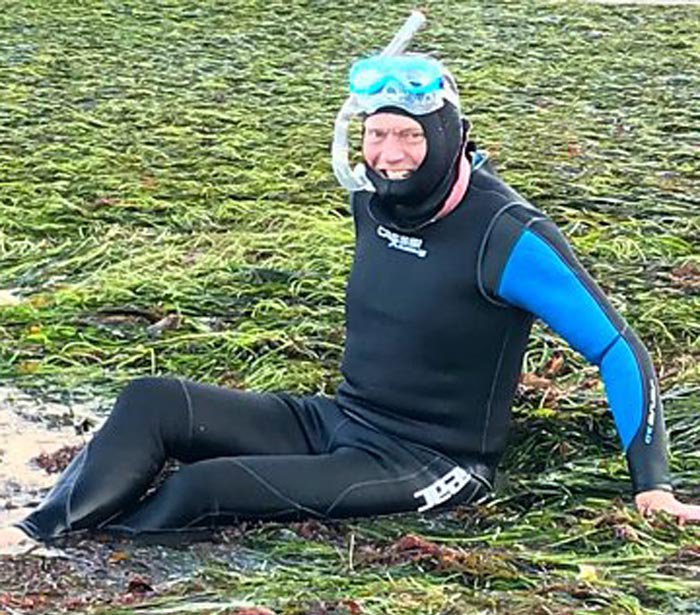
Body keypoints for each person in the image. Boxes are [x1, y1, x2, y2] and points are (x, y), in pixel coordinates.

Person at [2, 14, 698, 553]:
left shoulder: (508, 237)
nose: (390, 156)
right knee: (152, 401)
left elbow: (617, 348)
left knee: (203, 486)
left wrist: (654, 487)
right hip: (340, 418)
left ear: (452, 136)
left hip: (430, 462)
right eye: (376, 134)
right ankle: (36, 538)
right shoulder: (369, 195)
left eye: (411, 138)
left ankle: (95, 560)